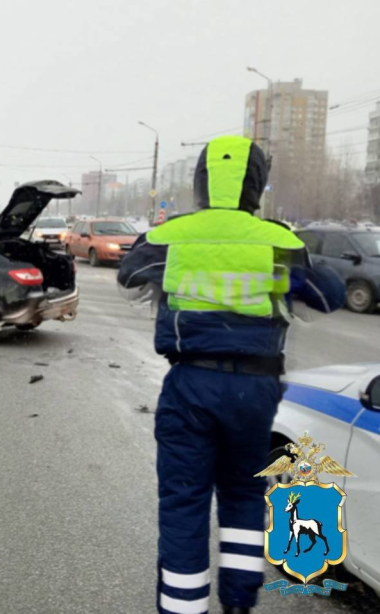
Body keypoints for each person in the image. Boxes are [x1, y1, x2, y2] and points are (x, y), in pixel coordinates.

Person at [117, 135, 345, 614]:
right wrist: (295, 255)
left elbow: (129, 276)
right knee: (244, 494)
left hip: (190, 384)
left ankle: (183, 607)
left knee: (184, 502)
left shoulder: (172, 235)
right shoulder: (280, 241)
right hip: (255, 391)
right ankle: (239, 603)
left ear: (201, 183)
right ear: (257, 185)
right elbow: (329, 295)